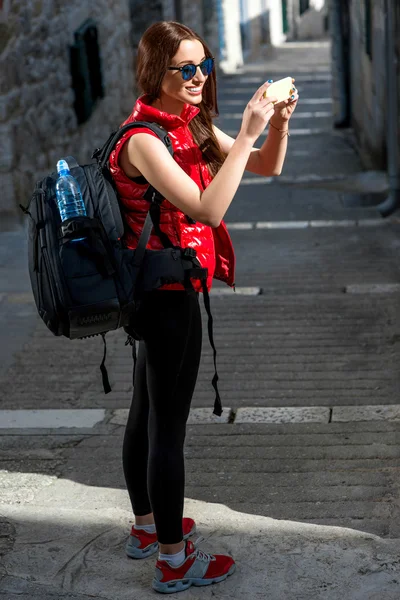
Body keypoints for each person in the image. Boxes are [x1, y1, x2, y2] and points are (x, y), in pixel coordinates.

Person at [109, 20, 299, 594]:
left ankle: (147, 528)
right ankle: (173, 560)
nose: (198, 78)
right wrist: (244, 135)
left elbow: (265, 168)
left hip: (171, 290)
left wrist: (277, 127)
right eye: (185, 69)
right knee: (167, 429)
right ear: (155, 73)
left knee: (145, 409)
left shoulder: (187, 125)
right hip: (164, 299)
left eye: (204, 66)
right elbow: (209, 210)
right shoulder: (144, 140)